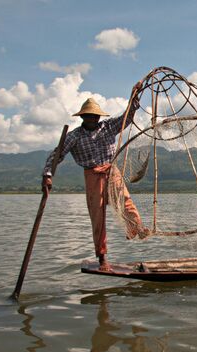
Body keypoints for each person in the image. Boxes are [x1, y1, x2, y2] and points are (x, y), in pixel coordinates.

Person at [42, 81, 149, 271]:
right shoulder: (74, 136)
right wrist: (47, 175)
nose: (93, 118)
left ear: (98, 116)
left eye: (95, 116)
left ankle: (137, 228)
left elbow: (128, 117)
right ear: (83, 117)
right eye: (89, 116)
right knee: (97, 216)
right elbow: (57, 154)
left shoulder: (107, 127)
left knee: (125, 201)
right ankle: (102, 258)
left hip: (111, 170)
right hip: (92, 175)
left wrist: (134, 96)